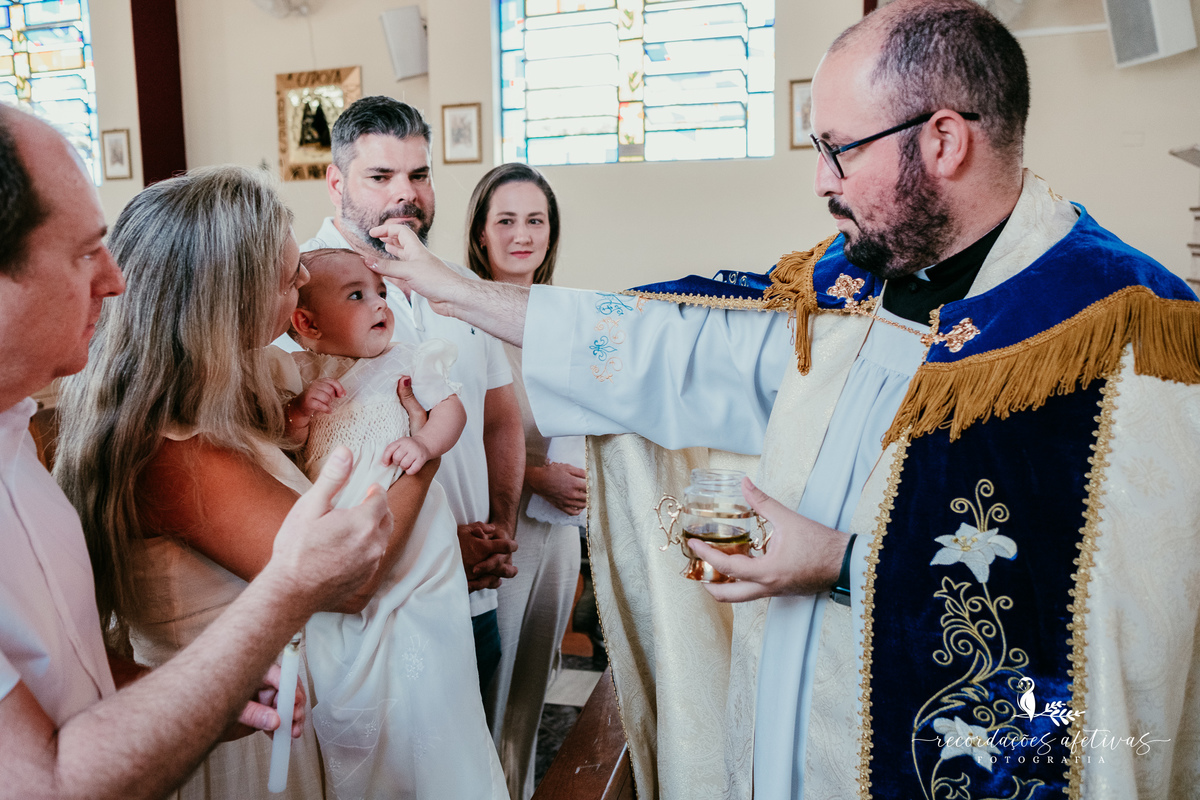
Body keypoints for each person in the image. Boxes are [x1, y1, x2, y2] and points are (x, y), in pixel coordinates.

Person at [356, 0, 1200, 797]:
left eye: (841, 149)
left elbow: (1125, 630)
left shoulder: (1123, 332)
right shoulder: (848, 293)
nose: (820, 182)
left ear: (943, 141)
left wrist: (841, 563)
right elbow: (666, 348)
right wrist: (451, 289)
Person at [0, 106, 393, 799]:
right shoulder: (166, 451)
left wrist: (214, 697)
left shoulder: (16, 439)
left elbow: (69, 673)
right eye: (83, 252)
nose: (117, 282)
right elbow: (44, 779)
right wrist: (424, 444)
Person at [282, 96, 525, 693]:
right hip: (376, 601)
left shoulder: (464, 287)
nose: (406, 193)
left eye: (419, 174)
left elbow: (499, 420)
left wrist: (499, 527)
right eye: (381, 176)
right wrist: (439, 545)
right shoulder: (298, 293)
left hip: (478, 587)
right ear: (336, 181)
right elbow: (292, 464)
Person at [274, 246, 507, 798]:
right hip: (345, 537)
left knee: (421, 665)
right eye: (358, 296)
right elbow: (289, 446)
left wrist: (424, 442)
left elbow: (451, 411)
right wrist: (302, 413)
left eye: (381, 293)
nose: (380, 304)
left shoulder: (409, 360)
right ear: (307, 323)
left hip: (415, 547)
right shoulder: (302, 373)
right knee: (349, 670)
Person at [465, 164, 584, 800]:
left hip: (561, 534)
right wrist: (536, 476)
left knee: (534, 692)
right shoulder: (465, 316)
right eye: (505, 221)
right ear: (481, 236)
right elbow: (464, 434)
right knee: (493, 688)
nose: (521, 234)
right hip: (506, 526)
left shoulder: (568, 315)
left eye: (534, 220)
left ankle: (520, 788)